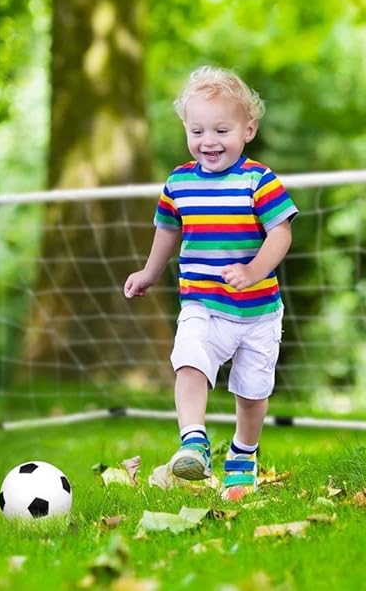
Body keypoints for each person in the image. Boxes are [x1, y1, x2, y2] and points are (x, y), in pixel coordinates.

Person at [124, 65, 298, 501]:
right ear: (186, 129)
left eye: (222, 129)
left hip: (257, 311)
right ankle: (194, 441)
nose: (208, 141)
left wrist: (254, 270)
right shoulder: (179, 182)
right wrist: (150, 271)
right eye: (197, 130)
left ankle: (244, 453)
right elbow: (167, 230)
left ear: (248, 129)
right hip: (202, 302)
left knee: (252, 390)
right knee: (189, 357)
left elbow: (281, 232)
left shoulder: (259, 180)